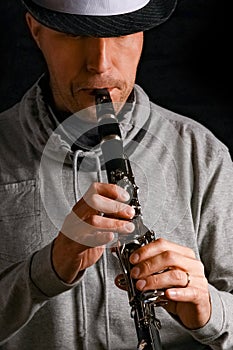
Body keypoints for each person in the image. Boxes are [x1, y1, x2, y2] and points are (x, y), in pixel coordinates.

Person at [0, 0, 233, 349]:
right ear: (36, 30)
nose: (100, 64)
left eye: (121, 34)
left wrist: (209, 309)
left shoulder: (202, 154)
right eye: (75, 35)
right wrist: (46, 272)